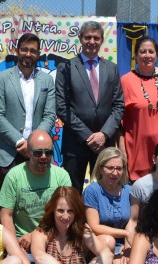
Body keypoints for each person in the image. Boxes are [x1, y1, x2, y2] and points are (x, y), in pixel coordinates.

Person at [56, 21, 124, 193]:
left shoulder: (112, 69)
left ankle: (99, 220)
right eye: (88, 37)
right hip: (75, 142)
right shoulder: (66, 67)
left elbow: (118, 105)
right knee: (73, 191)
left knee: (105, 189)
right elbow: (62, 107)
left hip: (104, 143)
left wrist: (104, 134)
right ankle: (75, 221)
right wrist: (88, 136)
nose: (92, 42)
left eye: (96, 38)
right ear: (80, 39)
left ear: (102, 41)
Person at [0, 33, 56, 191]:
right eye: (24, 49)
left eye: (33, 51)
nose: (28, 54)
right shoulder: (2, 79)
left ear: (38, 55)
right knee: (7, 204)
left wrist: (33, 144)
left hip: (38, 153)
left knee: (36, 199)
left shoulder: (47, 80)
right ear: (17, 51)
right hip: (8, 152)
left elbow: (49, 115)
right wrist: (20, 142)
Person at [31, 186, 113, 264]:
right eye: (60, 210)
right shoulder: (42, 232)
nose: (65, 216)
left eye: (70, 211)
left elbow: (107, 254)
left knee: (99, 263)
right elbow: (39, 258)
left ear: (76, 212)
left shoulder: (82, 232)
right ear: (52, 210)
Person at [119, 37, 158, 181]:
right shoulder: (125, 81)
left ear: (156, 55)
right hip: (138, 156)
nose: (147, 55)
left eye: (151, 51)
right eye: (142, 52)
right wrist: (123, 154)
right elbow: (119, 124)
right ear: (135, 55)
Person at [0, 129, 72, 252]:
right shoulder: (14, 175)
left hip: (54, 235)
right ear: (28, 153)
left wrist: (36, 235)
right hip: (22, 239)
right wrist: (14, 245)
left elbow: (67, 215)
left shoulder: (62, 175)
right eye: (38, 153)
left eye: (48, 152)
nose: (43, 156)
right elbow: (6, 214)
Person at [83, 147, 130, 264]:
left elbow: (132, 222)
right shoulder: (93, 190)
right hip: (97, 242)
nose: (115, 173)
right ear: (101, 168)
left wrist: (128, 245)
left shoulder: (128, 190)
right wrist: (125, 234)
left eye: (119, 168)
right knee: (108, 241)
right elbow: (94, 226)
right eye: (110, 168)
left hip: (121, 244)